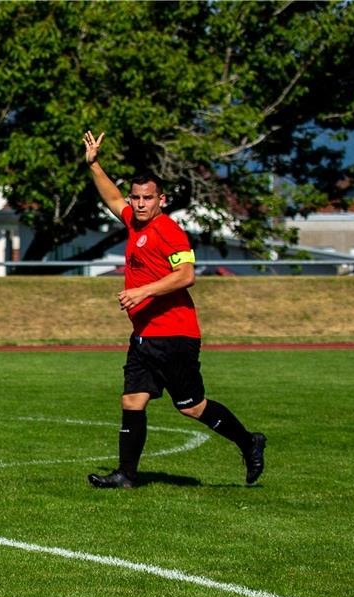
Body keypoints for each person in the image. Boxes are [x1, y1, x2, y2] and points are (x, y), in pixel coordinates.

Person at [81, 130, 266, 488]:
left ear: (161, 200)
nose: (138, 203)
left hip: (176, 334)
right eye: (135, 197)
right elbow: (111, 196)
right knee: (132, 400)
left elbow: (186, 275)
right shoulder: (135, 223)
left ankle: (249, 441)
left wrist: (142, 292)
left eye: (146, 198)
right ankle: (126, 476)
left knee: (192, 406)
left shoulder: (169, 231)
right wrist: (94, 165)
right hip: (145, 335)